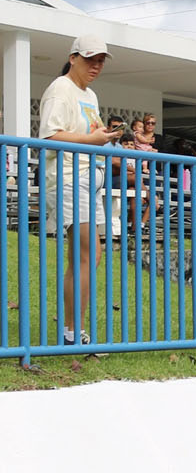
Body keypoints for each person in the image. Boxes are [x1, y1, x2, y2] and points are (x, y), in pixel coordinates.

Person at [38, 35, 123, 346]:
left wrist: (105, 137)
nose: (96, 66)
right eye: (90, 59)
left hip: (90, 178)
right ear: (73, 58)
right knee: (88, 256)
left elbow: (88, 134)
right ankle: (73, 331)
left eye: (100, 61)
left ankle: (72, 329)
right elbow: (49, 136)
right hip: (70, 178)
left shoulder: (90, 95)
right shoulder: (60, 89)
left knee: (87, 257)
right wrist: (92, 140)